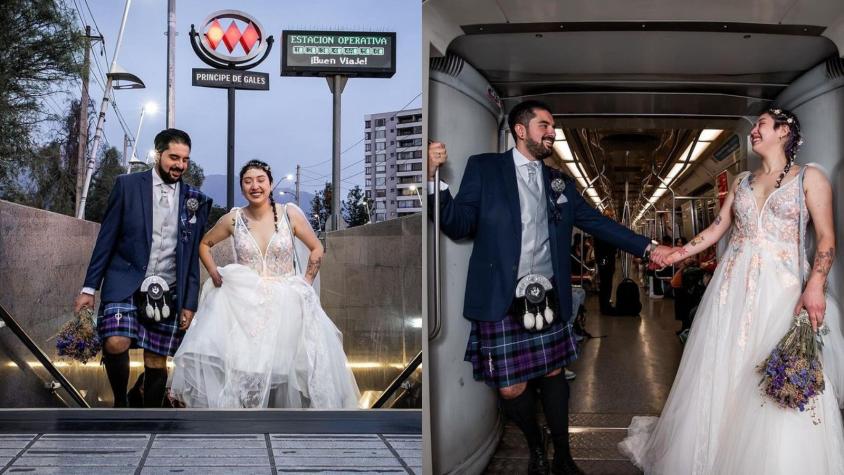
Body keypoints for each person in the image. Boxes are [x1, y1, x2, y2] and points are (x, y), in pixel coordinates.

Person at [428, 100, 673, 475]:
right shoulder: (485, 168)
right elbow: (458, 224)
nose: (551, 132)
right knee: (510, 389)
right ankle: (534, 441)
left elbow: (599, 224)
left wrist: (650, 247)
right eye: (544, 125)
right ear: (520, 130)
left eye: (552, 126)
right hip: (500, 297)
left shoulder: (561, 182)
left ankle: (563, 454)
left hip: (547, 295)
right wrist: (434, 179)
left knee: (554, 375)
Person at [619, 108, 844, 473]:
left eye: (761, 125)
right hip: (732, 289)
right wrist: (677, 254)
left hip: (781, 293)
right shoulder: (741, 181)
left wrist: (815, 284)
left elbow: (827, 238)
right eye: (754, 126)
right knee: (724, 366)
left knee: (774, 372)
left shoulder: (810, 178)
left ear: (784, 132)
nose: (753, 131)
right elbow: (718, 228)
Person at [170, 160, 360, 409]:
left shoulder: (289, 213)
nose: (255, 186)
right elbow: (204, 244)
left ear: (270, 184)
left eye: (260, 180)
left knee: (289, 363)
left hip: (286, 300)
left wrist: (306, 283)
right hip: (245, 301)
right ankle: (244, 421)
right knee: (246, 363)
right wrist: (214, 273)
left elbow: (316, 248)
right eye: (248, 181)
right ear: (242, 188)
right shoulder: (234, 219)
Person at [73, 129, 212, 408]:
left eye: (185, 160)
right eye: (174, 157)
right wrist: (89, 287)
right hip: (125, 279)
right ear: (158, 154)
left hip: (169, 288)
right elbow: (106, 239)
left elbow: (192, 258)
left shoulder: (195, 200)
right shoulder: (127, 186)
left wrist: (189, 302)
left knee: (156, 357)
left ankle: (150, 417)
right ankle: (121, 405)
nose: (180, 165)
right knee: (115, 341)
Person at [594, 210, 619, 314]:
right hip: (606, 259)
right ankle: (605, 307)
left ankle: (605, 304)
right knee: (606, 284)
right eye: (611, 216)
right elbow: (612, 245)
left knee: (605, 283)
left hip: (603, 259)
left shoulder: (599, 229)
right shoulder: (606, 231)